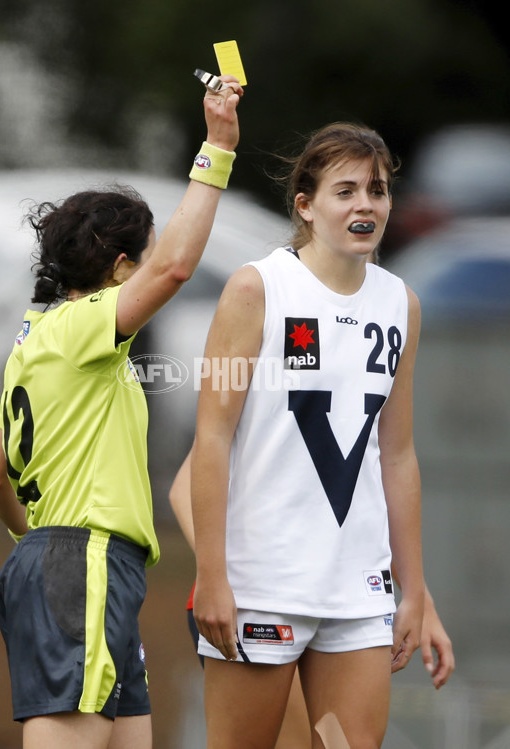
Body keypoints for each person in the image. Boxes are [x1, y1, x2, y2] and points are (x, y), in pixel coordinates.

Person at [0, 72, 243, 749]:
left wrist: (37, 545)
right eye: (145, 255)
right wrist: (217, 146)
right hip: (83, 559)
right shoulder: (82, 329)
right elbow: (178, 267)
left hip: (80, 561)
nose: (157, 269)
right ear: (122, 268)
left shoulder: (36, 342)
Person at [190, 122, 428, 749]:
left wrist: (416, 590)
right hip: (262, 583)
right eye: (345, 190)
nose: (365, 205)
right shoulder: (256, 287)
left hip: (359, 587)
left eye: (376, 191)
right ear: (305, 205)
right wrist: (212, 573)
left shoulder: (401, 302)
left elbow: (396, 454)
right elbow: (210, 438)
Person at [169, 449, 454, 749]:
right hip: (267, 607)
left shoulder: (367, 408)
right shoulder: (261, 405)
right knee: (294, 742)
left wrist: (419, 596)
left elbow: (358, 498)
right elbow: (183, 489)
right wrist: (223, 579)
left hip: (332, 603)